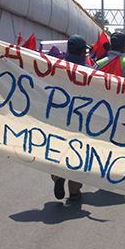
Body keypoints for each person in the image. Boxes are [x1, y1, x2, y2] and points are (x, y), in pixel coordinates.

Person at [51, 35, 88, 202]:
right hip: (80, 121)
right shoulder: (90, 71)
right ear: (82, 52)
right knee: (77, 153)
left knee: (58, 149)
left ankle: (58, 177)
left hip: (58, 118)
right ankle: (74, 191)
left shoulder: (56, 67)